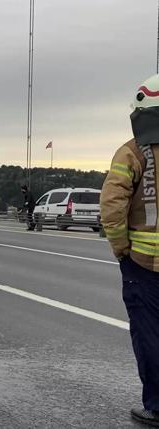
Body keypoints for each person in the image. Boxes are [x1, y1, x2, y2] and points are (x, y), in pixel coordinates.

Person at [101, 73, 159, 427]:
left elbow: (112, 208)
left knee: (150, 334)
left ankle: (156, 405)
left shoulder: (132, 151)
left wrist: (121, 248)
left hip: (144, 263)